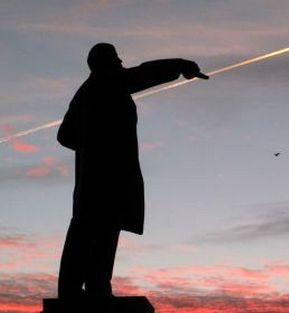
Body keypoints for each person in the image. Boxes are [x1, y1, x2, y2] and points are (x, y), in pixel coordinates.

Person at [56, 42, 208, 301]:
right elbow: (142, 74)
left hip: (97, 177)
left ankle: (91, 288)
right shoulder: (105, 83)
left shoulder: (86, 92)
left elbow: (65, 135)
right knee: (95, 231)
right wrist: (181, 65)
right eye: (115, 57)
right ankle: (86, 290)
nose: (120, 61)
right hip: (105, 176)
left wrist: (90, 146)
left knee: (95, 230)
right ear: (104, 63)